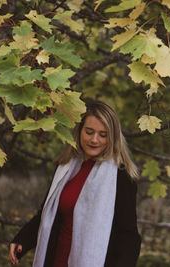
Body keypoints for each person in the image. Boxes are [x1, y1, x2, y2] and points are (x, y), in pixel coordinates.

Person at [9, 100, 141, 267]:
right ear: (79, 131)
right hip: (56, 260)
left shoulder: (120, 177)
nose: (95, 140)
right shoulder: (66, 168)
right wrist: (23, 239)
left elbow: (128, 236)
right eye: (89, 132)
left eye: (103, 134)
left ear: (112, 137)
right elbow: (47, 213)